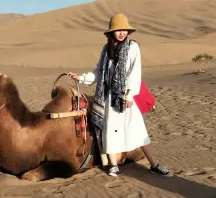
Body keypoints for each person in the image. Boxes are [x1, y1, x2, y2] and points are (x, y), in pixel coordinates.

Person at [67, 13, 173, 177]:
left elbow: (134, 72)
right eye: (118, 30)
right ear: (111, 32)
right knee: (109, 131)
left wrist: (129, 95)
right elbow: (99, 72)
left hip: (125, 98)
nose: (122, 33)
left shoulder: (133, 47)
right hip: (109, 98)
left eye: (124, 29)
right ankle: (113, 165)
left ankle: (154, 164)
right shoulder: (106, 49)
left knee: (139, 131)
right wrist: (82, 78)